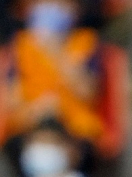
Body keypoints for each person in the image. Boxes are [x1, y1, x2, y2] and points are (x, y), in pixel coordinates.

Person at [6, 0, 104, 144]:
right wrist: (38, 108)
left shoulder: (86, 41)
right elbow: (12, 99)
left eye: (60, 3)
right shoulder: (21, 44)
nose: (51, 7)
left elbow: (88, 93)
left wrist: (54, 50)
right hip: (32, 126)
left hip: (74, 130)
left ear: (76, 9)